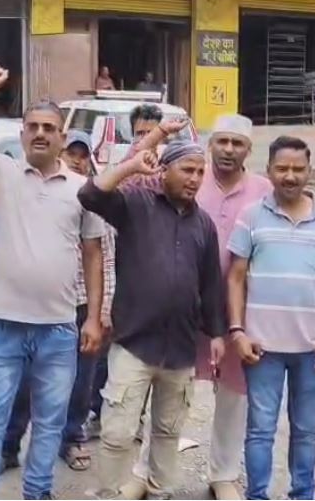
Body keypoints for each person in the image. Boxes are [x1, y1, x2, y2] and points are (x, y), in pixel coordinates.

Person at [0, 62, 106, 500]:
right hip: (4, 327)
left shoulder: (82, 189)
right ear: (22, 133)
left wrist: (94, 318)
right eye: (33, 126)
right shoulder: (0, 172)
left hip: (58, 330)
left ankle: (37, 492)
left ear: (62, 138)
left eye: (49, 128)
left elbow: (93, 254)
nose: (40, 134)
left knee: (49, 423)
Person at [122, 114, 271, 500]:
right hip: (182, 311)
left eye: (237, 143)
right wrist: (156, 135)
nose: (228, 149)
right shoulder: (188, 177)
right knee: (165, 391)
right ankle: (145, 471)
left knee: (233, 393)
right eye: (222, 141)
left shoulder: (263, 190)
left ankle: (223, 474)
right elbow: (128, 175)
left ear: (248, 150)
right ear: (209, 145)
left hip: (237, 312)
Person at [78, 142, 226, 499]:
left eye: (200, 172)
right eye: (187, 170)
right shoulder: (136, 205)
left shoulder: (204, 225)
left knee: (167, 432)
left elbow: (210, 284)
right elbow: (90, 194)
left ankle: (160, 491)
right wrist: (130, 166)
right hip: (134, 343)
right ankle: (110, 493)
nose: (194, 178)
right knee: (117, 433)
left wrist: (218, 334)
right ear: (164, 170)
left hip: (180, 349)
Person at [228, 136, 315, 500]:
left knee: (305, 432)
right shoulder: (251, 215)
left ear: (309, 171)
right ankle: (257, 495)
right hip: (261, 348)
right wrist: (237, 331)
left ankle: (303, 494)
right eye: (282, 168)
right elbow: (235, 277)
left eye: (298, 169)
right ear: (268, 171)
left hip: (314, 349)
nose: (290, 176)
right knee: (260, 430)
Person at [0, 130, 116, 473]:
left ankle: (71, 438)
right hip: (43, 304)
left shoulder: (95, 200)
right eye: (72, 154)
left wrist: (102, 310)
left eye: (83, 155)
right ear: (61, 153)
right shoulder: (41, 194)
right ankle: (9, 445)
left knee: (81, 382)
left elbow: (105, 258)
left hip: (82, 306)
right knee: (24, 381)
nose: (77, 161)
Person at [85, 103, 167, 440]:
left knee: (147, 356)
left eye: (152, 133)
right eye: (140, 133)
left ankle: (138, 417)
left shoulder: (172, 174)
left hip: (156, 282)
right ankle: (99, 414)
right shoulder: (124, 170)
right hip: (120, 278)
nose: (145, 139)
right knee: (109, 353)